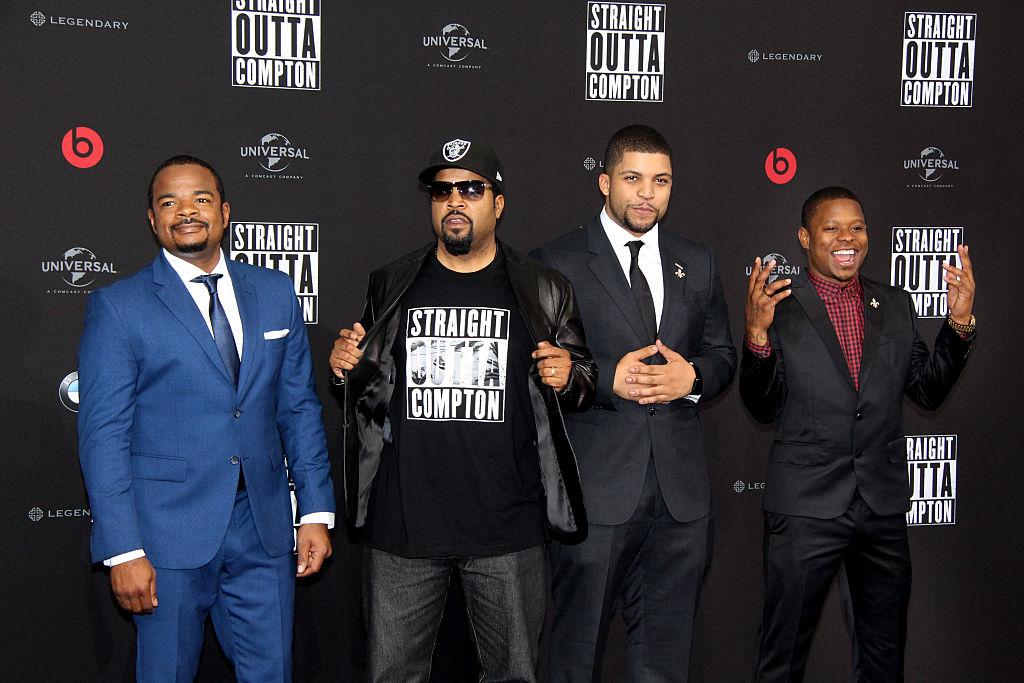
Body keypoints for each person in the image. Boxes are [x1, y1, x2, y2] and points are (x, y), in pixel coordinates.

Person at [328, 138, 595, 681]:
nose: (455, 200)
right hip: (404, 524)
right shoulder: (391, 283)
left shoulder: (543, 287)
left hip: (507, 525)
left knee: (513, 675)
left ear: (497, 203)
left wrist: (569, 376)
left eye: (471, 189)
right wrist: (343, 369)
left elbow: (584, 379)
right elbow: (365, 384)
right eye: (443, 190)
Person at [77, 155, 335, 681]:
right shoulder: (119, 307)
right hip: (163, 535)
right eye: (168, 202)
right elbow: (103, 436)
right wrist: (122, 548)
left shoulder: (274, 292)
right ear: (152, 219)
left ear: (225, 211)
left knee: (272, 674)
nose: (185, 212)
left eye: (200, 198)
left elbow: (298, 408)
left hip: (263, 528)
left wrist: (314, 511)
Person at [740, 186, 976, 681]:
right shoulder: (777, 306)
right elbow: (761, 406)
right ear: (805, 237)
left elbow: (927, 392)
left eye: (858, 227)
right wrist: (757, 340)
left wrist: (957, 325)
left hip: (881, 508)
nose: (848, 238)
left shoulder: (893, 303)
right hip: (806, 507)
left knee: (884, 659)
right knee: (782, 659)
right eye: (832, 228)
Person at [531, 124, 737, 681]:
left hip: (681, 497)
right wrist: (602, 381)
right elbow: (536, 368)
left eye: (661, 181)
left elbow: (723, 355)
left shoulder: (698, 261)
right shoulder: (557, 260)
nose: (648, 193)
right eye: (633, 179)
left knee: (665, 662)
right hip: (596, 492)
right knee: (576, 654)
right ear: (604, 183)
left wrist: (691, 376)